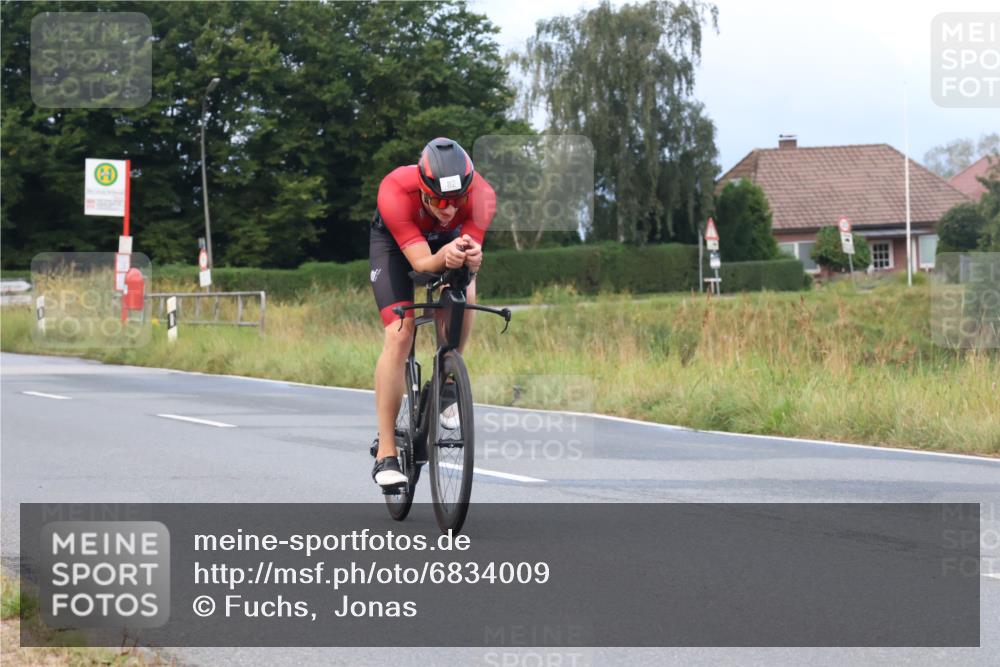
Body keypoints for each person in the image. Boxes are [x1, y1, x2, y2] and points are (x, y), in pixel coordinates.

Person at [368, 137, 496, 488]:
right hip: (397, 247)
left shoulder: (482, 196)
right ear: (423, 189)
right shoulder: (395, 189)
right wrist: (444, 258)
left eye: (457, 202)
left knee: (464, 291)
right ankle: (387, 452)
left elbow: (469, 254)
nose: (449, 210)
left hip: (447, 242)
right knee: (400, 333)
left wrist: (471, 258)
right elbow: (423, 263)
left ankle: (448, 379)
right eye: (440, 201)